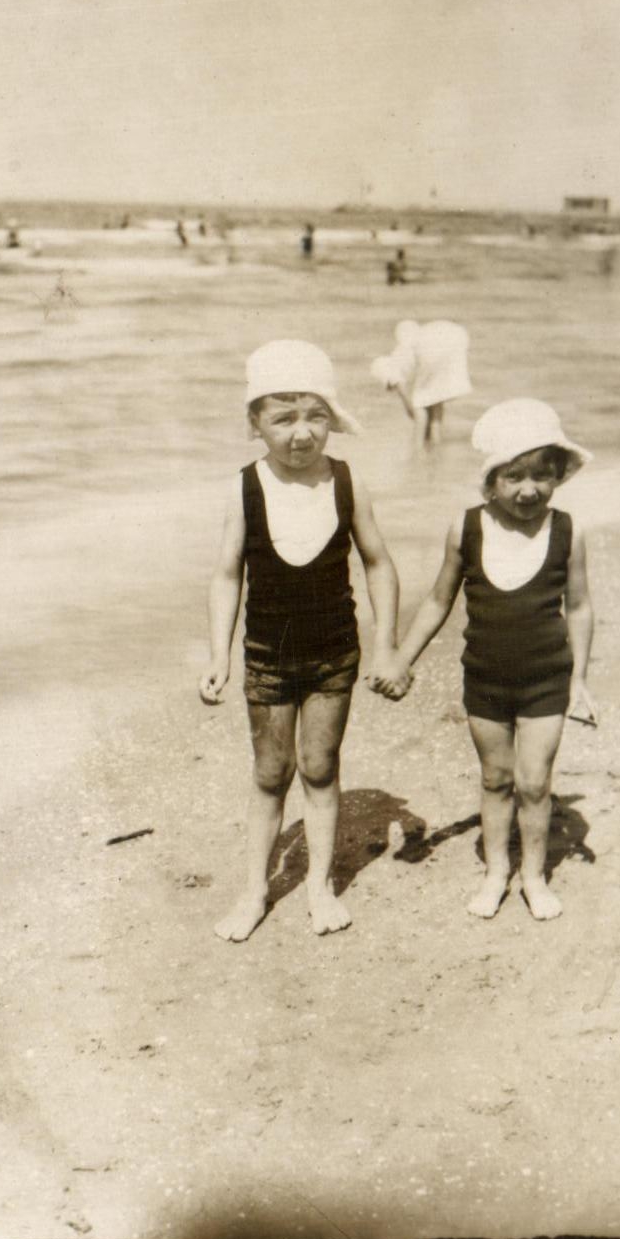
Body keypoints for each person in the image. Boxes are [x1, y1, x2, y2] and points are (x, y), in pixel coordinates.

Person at [200, 340, 404, 942]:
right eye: (282, 418)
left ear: (332, 419)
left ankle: (318, 884)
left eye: (315, 416)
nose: (301, 433)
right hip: (266, 656)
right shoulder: (245, 487)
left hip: (335, 653)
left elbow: (380, 564)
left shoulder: (345, 481)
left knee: (319, 767)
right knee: (270, 772)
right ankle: (256, 889)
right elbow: (224, 574)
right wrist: (219, 653)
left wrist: (387, 643)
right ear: (254, 423)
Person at [374, 400, 595, 923]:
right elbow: (436, 601)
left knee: (535, 783)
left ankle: (534, 877)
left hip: (547, 679)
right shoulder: (467, 528)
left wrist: (580, 681)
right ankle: (497, 873)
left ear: (559, 476)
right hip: (486, 680)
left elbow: (581, 608)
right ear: (490, 481)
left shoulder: (567, 531)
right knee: (496, 779)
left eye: (542, 475)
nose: (528, 489)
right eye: (513, 476)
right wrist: (401, 660)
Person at [371, 319, 472, 449]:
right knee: (436, 397)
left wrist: (413, 410)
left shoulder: (390, 367)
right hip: (456, 337)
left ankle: (418, 448)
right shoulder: (416, 339)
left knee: (419, 404)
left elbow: (410, 406)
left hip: (436, 346)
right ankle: (435, 442)